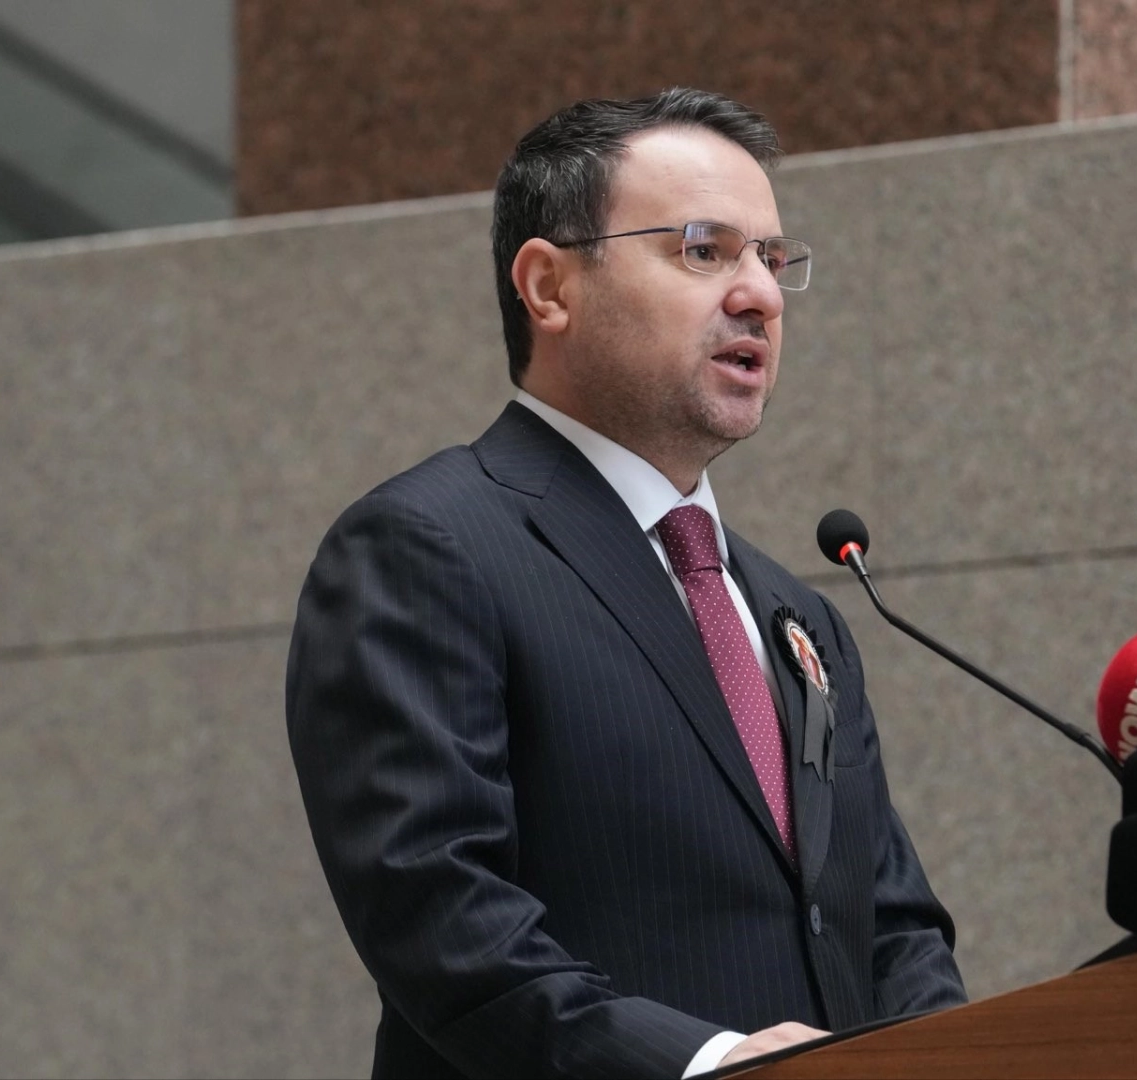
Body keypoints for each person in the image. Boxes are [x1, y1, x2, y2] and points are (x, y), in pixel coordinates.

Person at [285, 88, 966, 1079]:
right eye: (704, 251)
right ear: (549, 286)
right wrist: (707, 1063)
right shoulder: (426, 547)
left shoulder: (799, 614)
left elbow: (891, 921)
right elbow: (438, 913)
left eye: (771, 259)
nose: (762, 296)